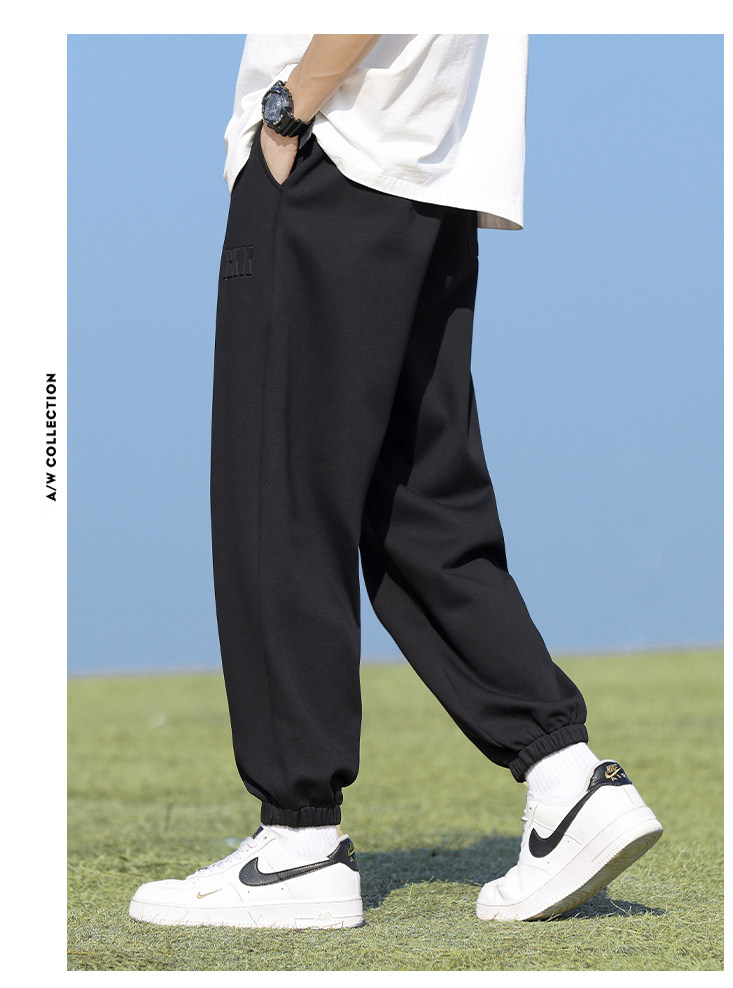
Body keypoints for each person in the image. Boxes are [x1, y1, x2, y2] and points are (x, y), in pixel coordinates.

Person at [129, 34, 662, 930]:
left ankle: (298, 842)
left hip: (332, 153)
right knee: (418, 500)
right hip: (434, 176)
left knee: (279, 493)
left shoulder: (307, 131)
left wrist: (287, 110)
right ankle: (567, 780)